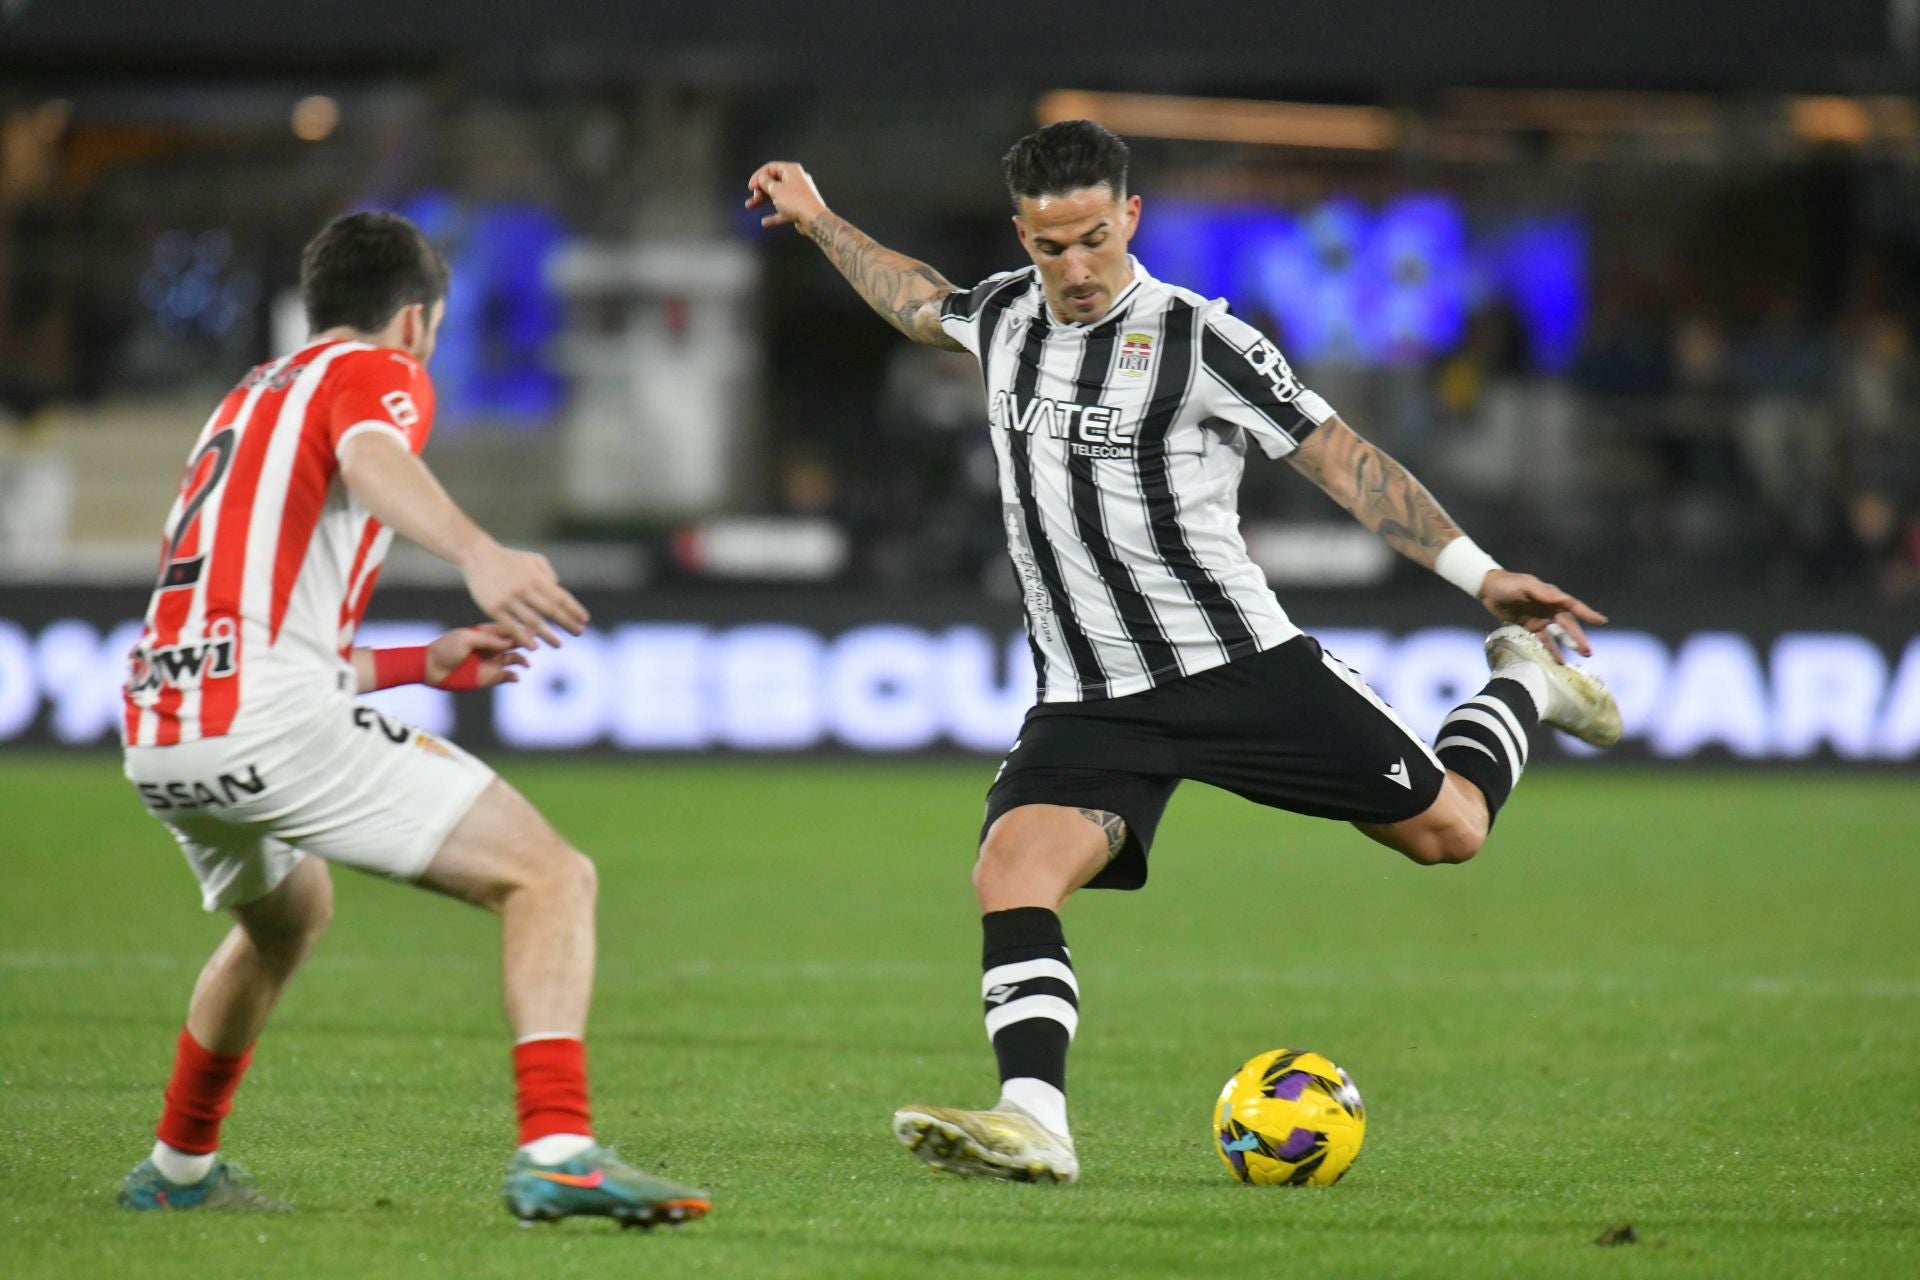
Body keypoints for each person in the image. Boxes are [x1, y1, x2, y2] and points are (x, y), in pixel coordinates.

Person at [745, 120, 1621, 1184]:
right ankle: (1035, 1118)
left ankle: (1525, 678)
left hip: (1235, 666)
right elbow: (915, 296)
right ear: (1021, 235)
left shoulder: (1203, 341)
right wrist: (821, 219)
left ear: (1132, 219)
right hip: (1088, 695)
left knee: (1449, 831)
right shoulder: (1004, 317)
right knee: (1011, 870)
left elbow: (1343, 461)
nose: (1073, 268)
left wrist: (1482, 574)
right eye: (1049, 245)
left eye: (1093, 241)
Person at [116, 211, 710, 1228]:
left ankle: (176, 1166)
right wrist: (477, 550)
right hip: (262, 719)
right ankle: (559, 1149)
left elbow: (253, 619)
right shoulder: (372, 371)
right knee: (551, 875)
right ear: (417, 321)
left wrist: (414, 660)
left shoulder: (245, 400)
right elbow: (372, 458)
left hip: (162, 726)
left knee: (287, 916)